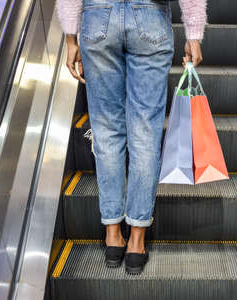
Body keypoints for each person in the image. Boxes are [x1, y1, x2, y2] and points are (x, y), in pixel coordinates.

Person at [56, 0, 206, 274]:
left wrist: (70, 35)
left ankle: (113, 235)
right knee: (145, 132)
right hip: (150, 16)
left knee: (107, 130)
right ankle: (136, 241)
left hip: (97, 16)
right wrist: (193, 35)